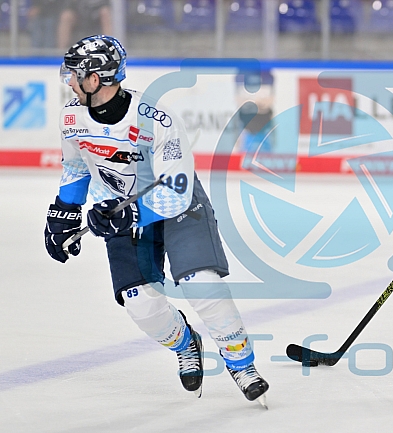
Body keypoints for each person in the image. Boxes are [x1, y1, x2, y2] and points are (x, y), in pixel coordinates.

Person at [44, 35, 269, 405]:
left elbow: (177, 190)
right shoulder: (71, 117)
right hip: (117, 209)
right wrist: (62, 214)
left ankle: (242, 365)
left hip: (178, 207)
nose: (68, 80)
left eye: (75, 74)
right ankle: (186, 342)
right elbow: (75, 166)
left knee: (202, 284)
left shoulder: (155, 119)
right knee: (141, 304)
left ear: (96, 78)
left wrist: (128, 214)